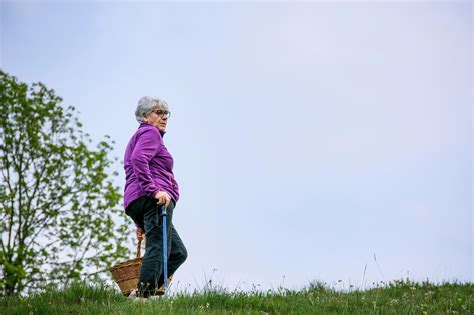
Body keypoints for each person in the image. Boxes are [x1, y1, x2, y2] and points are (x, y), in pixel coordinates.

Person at [123, 96, 187, 298]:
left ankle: (143, 291)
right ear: (144, 116)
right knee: (158, 247)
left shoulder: (141, 136)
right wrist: (154, 190)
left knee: (177, 252)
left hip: (141, 201)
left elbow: (136, 165)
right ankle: (142, 296)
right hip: (154, 199)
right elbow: (138, 160)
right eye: (158, 112)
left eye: (166, 113)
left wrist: (139, 220)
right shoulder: (150, 132)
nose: (164, 117)